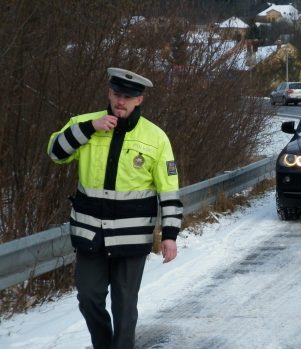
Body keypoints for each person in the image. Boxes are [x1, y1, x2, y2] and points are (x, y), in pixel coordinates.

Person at [47, 67, 183, 349]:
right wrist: (88, 129)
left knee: (124, 309)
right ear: (109, 93)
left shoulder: (156, 138)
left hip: (131, 239)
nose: (121, 101)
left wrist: (170, 235)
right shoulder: (83, 124)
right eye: (117, 94)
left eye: (128, 97)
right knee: (88, 296)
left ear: (139, 100)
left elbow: (169, 191)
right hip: (90, 235)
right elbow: (55, 152)